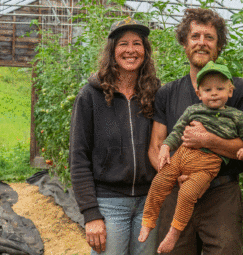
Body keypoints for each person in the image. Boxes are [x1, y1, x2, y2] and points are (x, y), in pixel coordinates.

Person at [148, 8, 243, 255]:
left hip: (221, 194)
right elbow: (157, 146)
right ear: (184, 43)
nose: (202, 43)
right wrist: (174, 173)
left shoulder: (237, 89)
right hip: (176, 193)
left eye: (209, 37)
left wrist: (208, 140)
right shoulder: (167, 93)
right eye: (195, 36)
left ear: (219, 44)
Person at [69, 17, 160, 255]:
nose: (131, 50)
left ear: (145, 51)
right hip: (109, 204)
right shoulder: (90, 96)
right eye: (123, 44)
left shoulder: (155, 94)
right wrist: (91, 214)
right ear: (112, 51)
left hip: (149, 203)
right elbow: (78, 157)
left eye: (137, 43)